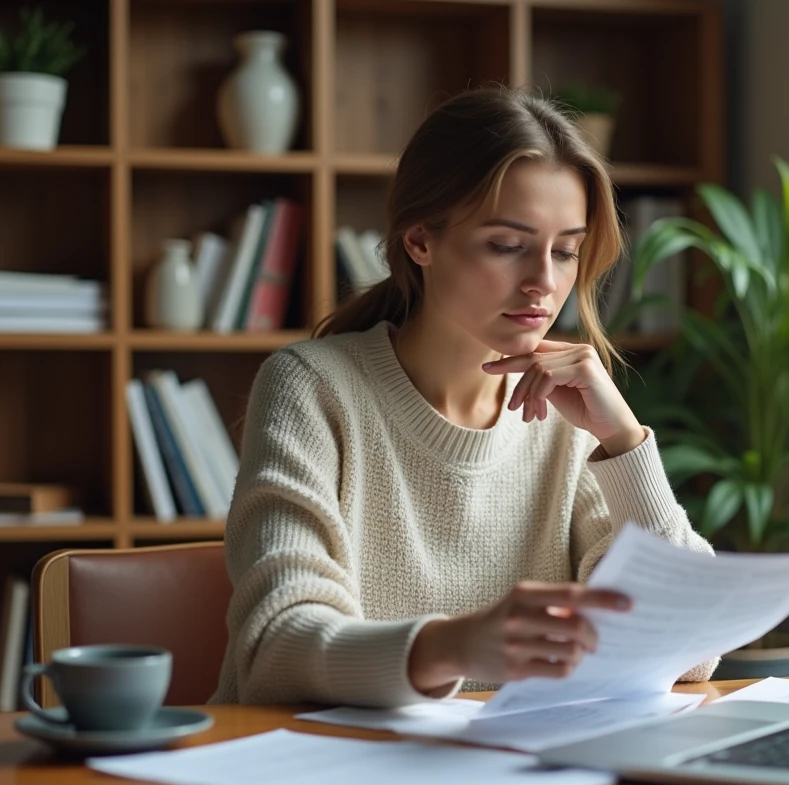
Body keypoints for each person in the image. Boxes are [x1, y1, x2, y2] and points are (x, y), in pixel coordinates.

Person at [210, 86, 719, 708]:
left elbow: (693, 649)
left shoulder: (566, 413)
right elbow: (275, 649)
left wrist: (625, 443)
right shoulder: (312, 388)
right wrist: (456, 646)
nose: (544, 283)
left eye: (566, 252)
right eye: (507, 246)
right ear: (420, 240)